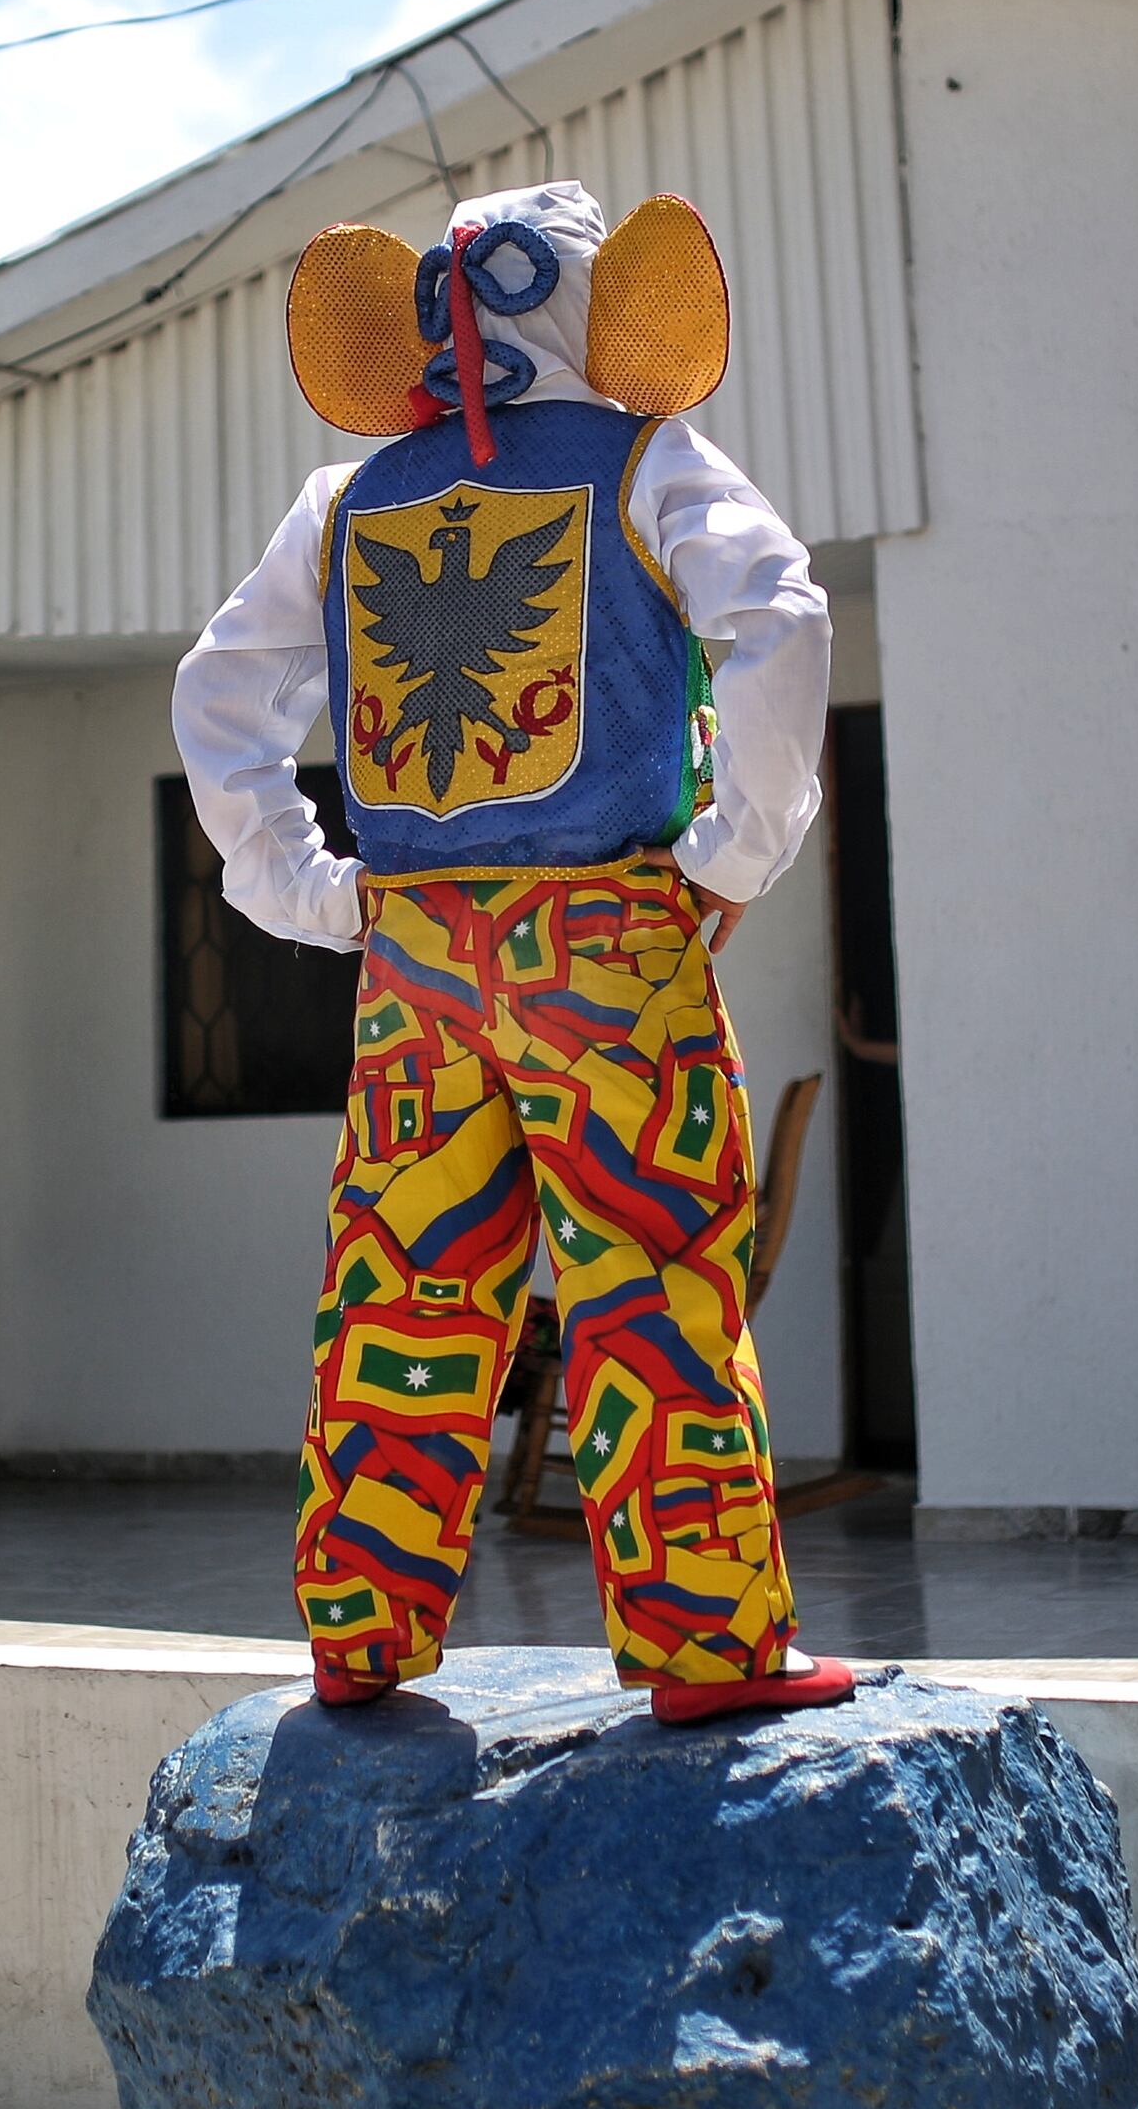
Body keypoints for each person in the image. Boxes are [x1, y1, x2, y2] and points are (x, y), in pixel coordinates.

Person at [174, 180, 858, 1724]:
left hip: (415, 962)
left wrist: (316, 892)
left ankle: (359, 1633)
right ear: (593, 307)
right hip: (609, 947)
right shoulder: (644, 458)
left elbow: (216, 698)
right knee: (648, 1280)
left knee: (403, 1286)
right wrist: (732, 853)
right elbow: (779, 614)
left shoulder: (347, 501)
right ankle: (707, 1647)